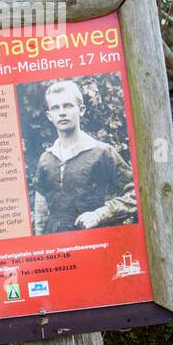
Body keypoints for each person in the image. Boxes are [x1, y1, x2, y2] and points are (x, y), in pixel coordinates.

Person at [32, 79, 138, 234]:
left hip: (93, 240)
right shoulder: (46, 158)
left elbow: (136, 193)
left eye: (68, 105)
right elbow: (41, 211)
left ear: (81, 110)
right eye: (55, 108)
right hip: (56, 244)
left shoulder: (102, 152)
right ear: (49, 115)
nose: (62, 112)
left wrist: (100, 214)